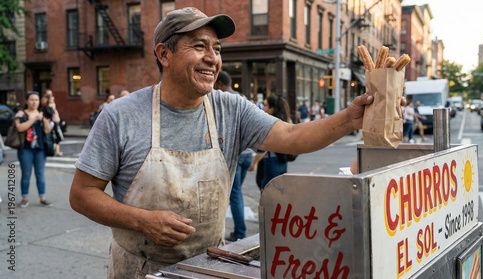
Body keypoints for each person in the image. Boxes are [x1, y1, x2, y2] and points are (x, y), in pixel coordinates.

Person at [69, 7, 397, 278]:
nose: (213, 58)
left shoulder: (232, 108)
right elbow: (82, 195)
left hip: (207, 266)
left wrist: (348, 119)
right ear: (164, 54)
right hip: (137, 269)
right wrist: (142, 221)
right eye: (199, 46)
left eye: (217, 49)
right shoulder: (120, 116)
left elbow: (292, 137)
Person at [214, 70, 253, 242]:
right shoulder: (243, 98)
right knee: (236, 193)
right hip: (248, 154)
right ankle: (239, 231)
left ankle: (240, 233)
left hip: (235, 154)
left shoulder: (222, 99)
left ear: (220, 84)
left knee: (234, 194)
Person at [15, 91, 53, 208]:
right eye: (31, 100)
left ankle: (43, 197)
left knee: (40, 174)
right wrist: (34, 119)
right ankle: (25, 198)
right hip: (25, 149)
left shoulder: (42, 114)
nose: (34, 102)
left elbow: (47, 131)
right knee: (26, 174)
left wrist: (45, 121)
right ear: (27, 101)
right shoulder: (20, 114)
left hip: (40, 149)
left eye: (36, 100)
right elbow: (20, 128)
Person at [249, 95, 292, 190]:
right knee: (278, 191)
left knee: (268, 191)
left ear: (272, 108)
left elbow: (265, 147)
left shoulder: (271, 124)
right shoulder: (284, 120)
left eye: (265, 105)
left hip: (271, 161)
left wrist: (255, 162)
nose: (263, 108)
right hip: (282, 160)